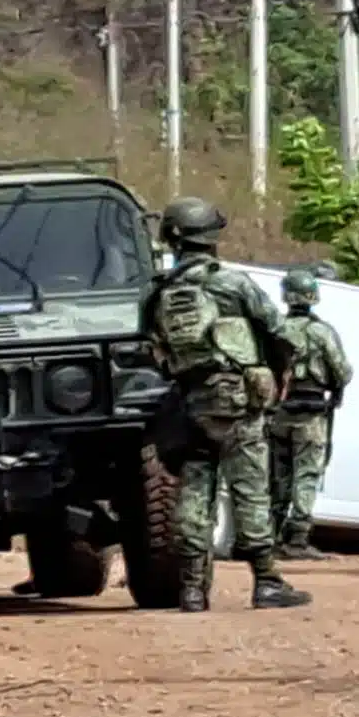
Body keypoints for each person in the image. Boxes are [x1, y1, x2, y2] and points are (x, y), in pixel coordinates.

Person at [141, 197, 311, 612]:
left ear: (172, 238)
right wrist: (277, 372)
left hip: (191, 403)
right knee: (249, 486)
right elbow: (280, 333)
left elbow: (152, 350)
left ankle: (193, 589)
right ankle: (267, 581)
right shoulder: (232, 284)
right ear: (212, 238)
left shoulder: (158, 294)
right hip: (239, 401)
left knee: (195, 489)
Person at [269, 269, 352, 561]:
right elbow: (343, 372)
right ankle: (297, 540)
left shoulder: (276, 329)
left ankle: (270, 538)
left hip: (278, 413)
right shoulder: (322, 332)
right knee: (306, 474)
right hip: (311, 414)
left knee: (278, 477)